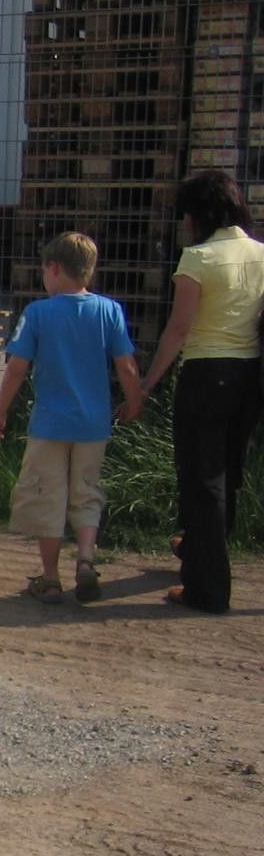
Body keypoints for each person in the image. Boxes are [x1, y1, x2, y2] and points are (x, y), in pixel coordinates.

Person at [0, 232, 145, 604]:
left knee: (48, 496)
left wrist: (0, 410)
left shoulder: (38, 313)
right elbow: (125, 366)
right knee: (87, 491)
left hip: (50, 424)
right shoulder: (109, 311)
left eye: (44, 271)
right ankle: (87, 560)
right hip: (93, 424)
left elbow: (16, 369)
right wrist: (134, 402)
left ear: (55, 269)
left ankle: (50, 579)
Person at [141, 170, 264, 613]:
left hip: (206, 375)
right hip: (251, 375)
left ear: (198, 215)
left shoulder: (198, 259)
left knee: (201, 481)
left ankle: (206, 589)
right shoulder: (261, 253)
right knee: (229, 473)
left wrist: (148, 383)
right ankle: (201, 553)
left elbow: (178, 330)